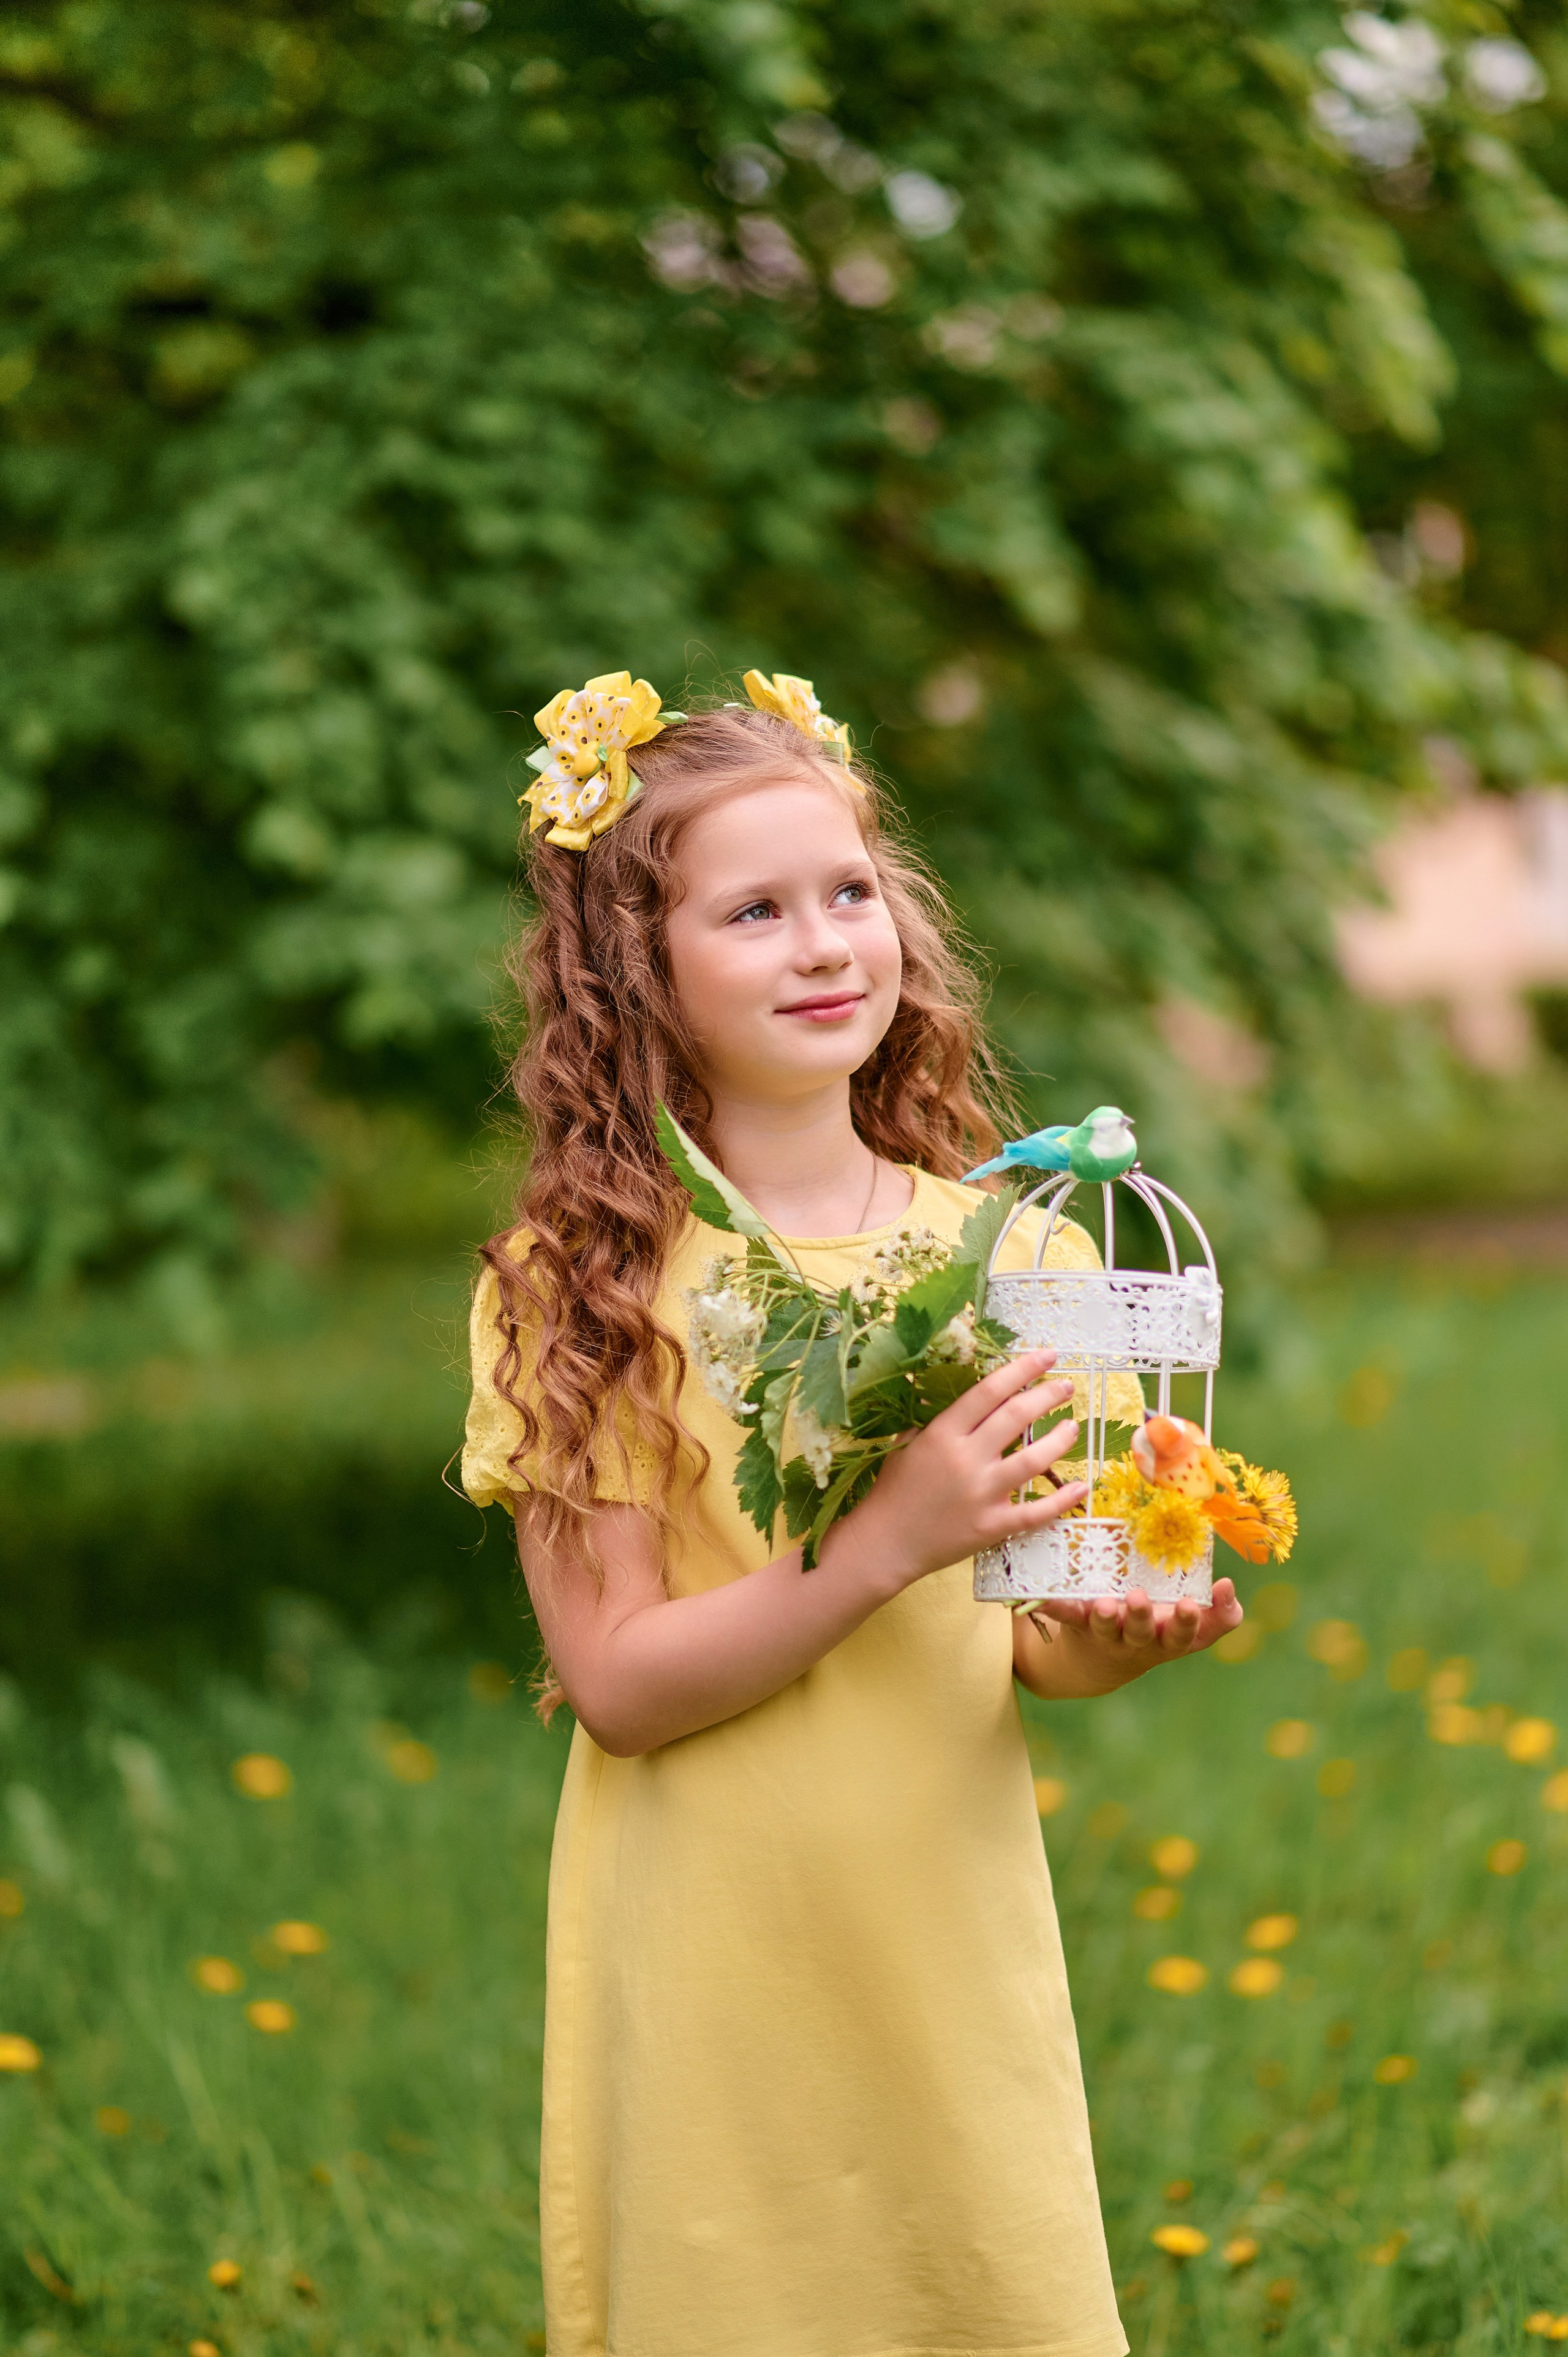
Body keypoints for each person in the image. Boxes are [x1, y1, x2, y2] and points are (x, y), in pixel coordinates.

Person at [462, 669, 1244, 2357]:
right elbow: (617, 1682)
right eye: (754, 911)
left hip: (943, 1929)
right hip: (718, 1954)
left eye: (850, 893)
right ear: (634, 971)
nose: (826, 943)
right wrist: (882, 1543)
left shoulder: (1018, 1258)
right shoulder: (581, 1287)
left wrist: (1126, 1636)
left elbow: (1039, 1643)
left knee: (975, 2286)